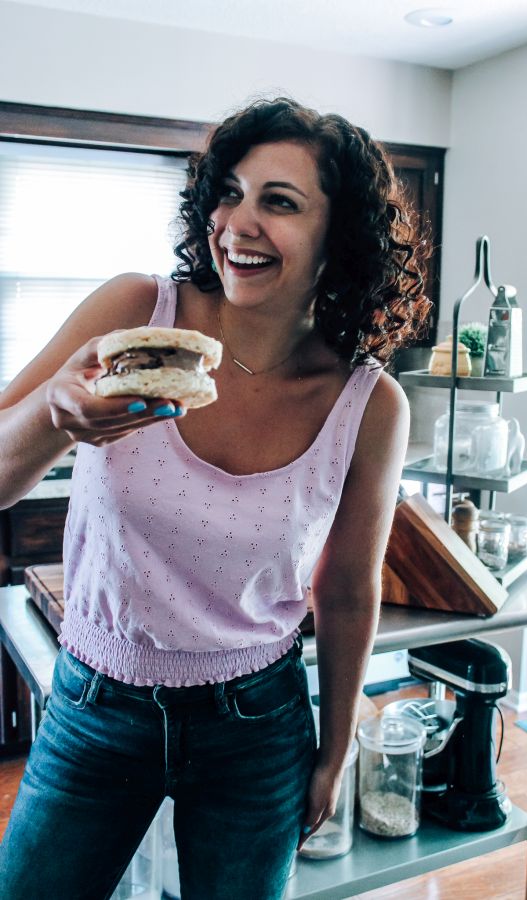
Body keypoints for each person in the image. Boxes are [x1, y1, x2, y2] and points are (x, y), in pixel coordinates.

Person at [0, 96, 430, 899]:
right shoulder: (136, 314)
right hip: (96, 705)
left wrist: (335, 750)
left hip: (259, 726)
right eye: (229, 192)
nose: (238, 222)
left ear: (341, 237)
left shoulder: (368, 406)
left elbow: (345, 590)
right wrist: (56, 412)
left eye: (280, 202)